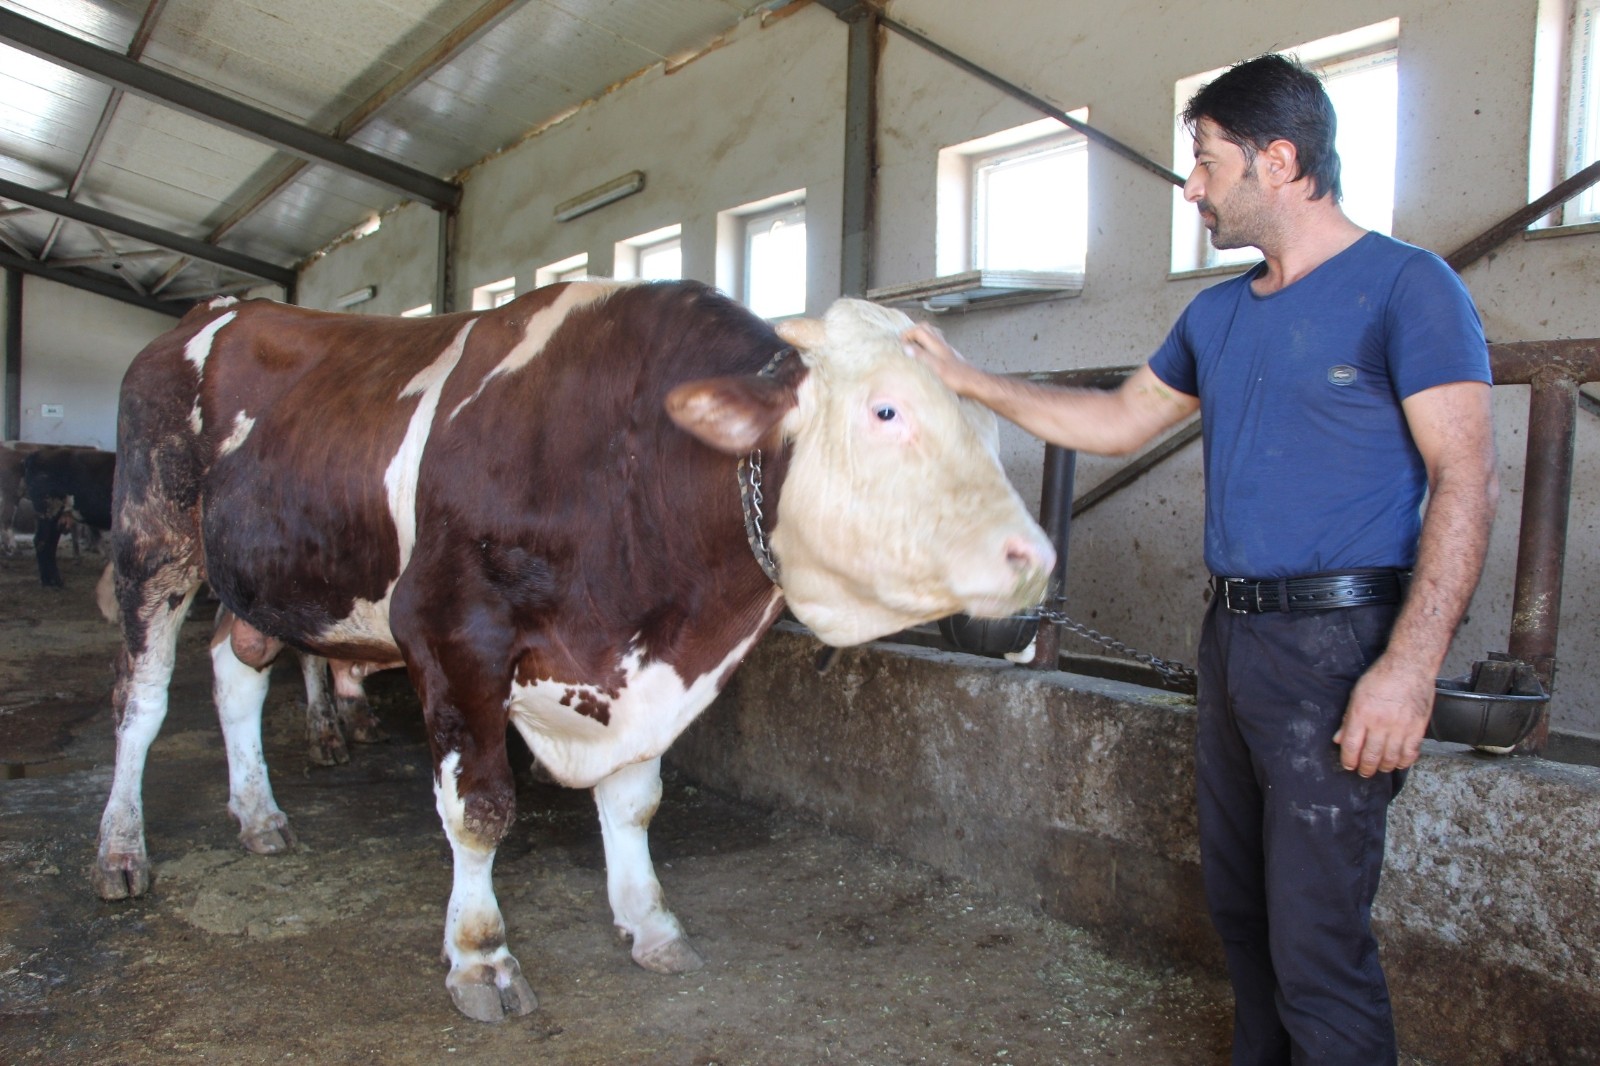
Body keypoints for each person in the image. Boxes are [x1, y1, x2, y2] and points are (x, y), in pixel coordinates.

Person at [902, 53, 1498, 1066]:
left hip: (1342, 640)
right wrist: (967, 379)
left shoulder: (1409, 286)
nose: (1191, 188)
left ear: (1280, 161)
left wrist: (1408, 666)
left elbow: (1465, 480)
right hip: (1233, 638)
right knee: (1243, 917)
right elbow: (1117, 420)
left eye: (1207, 161)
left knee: (1316, 940)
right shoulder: (1216, 314)